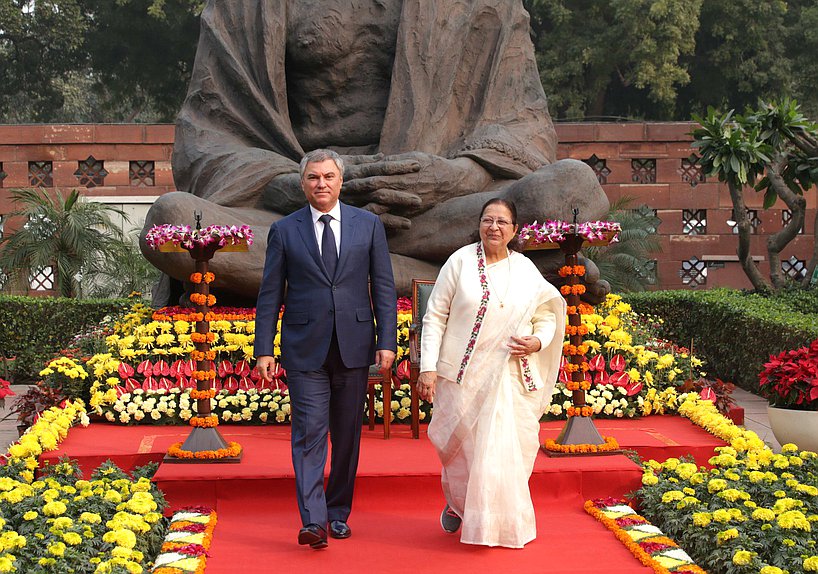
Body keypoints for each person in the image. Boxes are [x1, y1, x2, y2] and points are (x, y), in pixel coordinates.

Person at [141, 0, 610, 301]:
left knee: (570, 188)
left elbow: (524, 126)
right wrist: (300, 188)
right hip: (298, 214)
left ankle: (355, 273)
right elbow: (208, 137)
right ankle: (450, 280)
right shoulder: (247, 7)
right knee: (173, 223)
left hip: (433, 211)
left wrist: (455, 176)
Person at [254, 149, 397, 549]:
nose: (322, 183)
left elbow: (384, 287)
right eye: (314, 177)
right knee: (309, 432)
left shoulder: (368, 226)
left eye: (329, 176)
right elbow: (270, 294)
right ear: (303, 184)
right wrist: (264, 347)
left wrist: (387, 341)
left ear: (340, 181)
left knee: (347, 436)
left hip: (353, 346)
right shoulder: (284, 230)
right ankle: (313, 520)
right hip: (304, 349)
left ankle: (337, 512)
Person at [417, 198, 566, 548]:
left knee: (509, 452)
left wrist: (538, 340)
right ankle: (460, 506)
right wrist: (428, 368)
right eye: (488, 220)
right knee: (466, 452)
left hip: (512, 376)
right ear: (479, 224)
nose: (494, 227)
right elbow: (435, 317)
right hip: (464, 376)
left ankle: (504, 524)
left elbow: (548, 313)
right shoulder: (460, 262)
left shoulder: (526, 269)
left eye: (502, 221)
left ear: (514, 230)